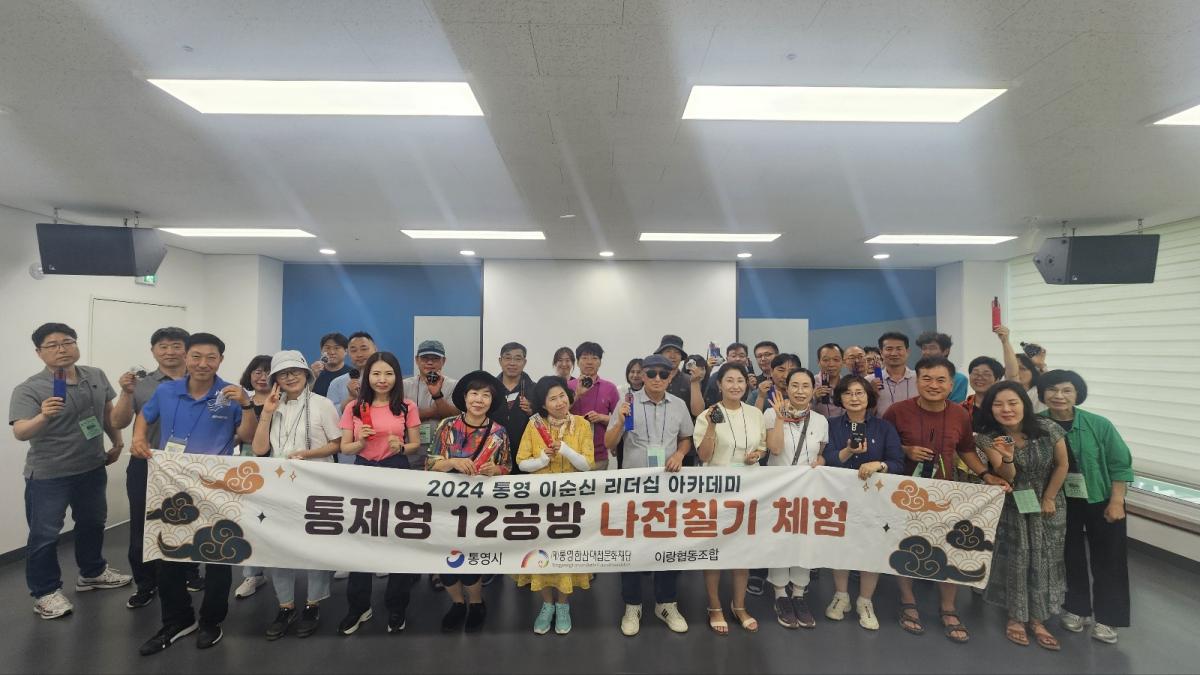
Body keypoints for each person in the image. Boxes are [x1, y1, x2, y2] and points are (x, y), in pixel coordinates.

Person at [132, 332, 258, 655]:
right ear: (186, 357)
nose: (203, 363)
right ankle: (177, 620)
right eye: (197, 356)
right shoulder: (166, 390)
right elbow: (144, 417)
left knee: (218, 555)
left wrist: (246, 405)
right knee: (168, 554)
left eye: (211, 357)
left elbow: (247, 436)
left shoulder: (230, 394)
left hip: (216, 486)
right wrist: (138, 438)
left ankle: (211, 621)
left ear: (221, 360)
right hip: (171, 483)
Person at [10, 322, 131, 620]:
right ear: (39, 352)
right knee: (44, 535)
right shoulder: (29, 388)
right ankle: (45, 593)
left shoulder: (95, 375)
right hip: (49, 475)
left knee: (92, 523)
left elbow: (106, 412)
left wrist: (117, 441)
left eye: (67, 341)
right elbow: (21, 432)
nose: (62, 349)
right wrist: (43, 416)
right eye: (52, 345)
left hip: (92, 467)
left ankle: (92, 573)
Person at [882, 355, 1001, 644]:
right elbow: (884, 445)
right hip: (906, 493)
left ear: (951, 384)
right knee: (906, 546)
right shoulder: (897, 411)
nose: (933, 385)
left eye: (940, 380)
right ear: (917, 381)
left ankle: (948, 607)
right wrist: (906, 450)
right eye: (927, 378)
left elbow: (967, 450)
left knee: (948, 548)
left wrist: (986, 475)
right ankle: (908, 600)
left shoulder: (960, 414)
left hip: (946, 493)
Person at [250, 350, 343, 639]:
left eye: (295, 371)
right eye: (283, 373)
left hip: (317, 483)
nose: (290, 377)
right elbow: (259, 449)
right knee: (280, 546)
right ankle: (286, 606)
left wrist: (307, 454)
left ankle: (313, 604)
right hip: (280, 486)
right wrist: (266, 413)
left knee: (316, 544)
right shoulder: (272, 405)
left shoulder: (322, 404)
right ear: (275, 379)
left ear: (306, 374)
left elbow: (337, 444)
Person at [1039, 370, 1132, 645]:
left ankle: (1108, 618)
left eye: (1066, 390)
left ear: (1077, 394)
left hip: (1101, 499)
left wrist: (1117, 501)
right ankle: (1076, 608)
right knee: (1068, 556)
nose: (1059, 395)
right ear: (1043, 393)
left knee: (1110, 559)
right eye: (1052, 390)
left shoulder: (1098, 424)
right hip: (1059, 501)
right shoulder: (1036, 424)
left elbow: (1120, 464)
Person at [974, 381, 1068, 650]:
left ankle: (1038, 618)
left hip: (1049, 502)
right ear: (990, 409)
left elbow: (1062, 464)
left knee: (1046, 558)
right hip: (1013, 503)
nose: (1006, 409)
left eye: (1012, 403)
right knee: (1017, 559)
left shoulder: (1048, 428)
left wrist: (1049, 497)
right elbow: (1008, 476)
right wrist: (1007, 458)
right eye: (998, 404)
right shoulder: (988, 437)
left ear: (1024, 405)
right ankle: (1016, 616)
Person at [605, 354, 694, 636]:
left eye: (663, 374)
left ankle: (666, 603)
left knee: (669, 544)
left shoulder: (678, 405)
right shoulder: (627, 403)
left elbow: (686, 438)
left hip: (668, 488)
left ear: (671, 377)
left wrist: (679, 454)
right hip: (634, 489)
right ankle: (632, 605)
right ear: (641, 375)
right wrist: (620, 422)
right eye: (651, 373)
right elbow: (609, 443)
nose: (657, 379)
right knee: (631, 545)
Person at [336, 351, 423, 636]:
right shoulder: (354, 408)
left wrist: (402, 447)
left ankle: (397, 606)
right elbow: (345, 448)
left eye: (388, 373)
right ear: (367, 377)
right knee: (361, 540)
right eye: (376, 374)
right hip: (364, 472)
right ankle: (359, 606)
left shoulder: (407, 406)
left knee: (398, 539)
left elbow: (415, 444)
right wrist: (360, 441)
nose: (382, 379)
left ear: (396, 376)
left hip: (397, 471)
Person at [110, 326, 189, 609]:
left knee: (188, 521)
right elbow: (118, 422)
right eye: (163, 347)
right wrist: (125, 392)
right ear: (153, 351)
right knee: (143, 527)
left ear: (187, 350)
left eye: (176, 346)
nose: (170, 352)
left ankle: (189, 573)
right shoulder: (140, 384)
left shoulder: (202, 381)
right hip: (147, 464)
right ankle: (145, 583)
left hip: (188, 466)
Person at [427, 371, 511, 632]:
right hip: (445, 506)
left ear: (492, 401)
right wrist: (451, 462)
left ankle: (476, 602)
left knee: (470, 559)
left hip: (480, 509)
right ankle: (456, 603)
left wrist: (494, 470)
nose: (479, 399)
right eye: (474, 393)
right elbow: (430, 463)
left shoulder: (498, 432)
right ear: (465, 397)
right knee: (446, 560)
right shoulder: (447, 426)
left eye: (486, 395)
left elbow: (507, 467)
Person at [822, 375, 904, 631]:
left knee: (871, 547)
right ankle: (841, 595)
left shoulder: (884, 427)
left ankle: (865, 601)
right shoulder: (830, 425)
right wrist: (848, 451)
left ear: (869, 396)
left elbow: (897, 463)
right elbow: (827, 459)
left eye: (859, 392)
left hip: (875, 499)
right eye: (848, 393)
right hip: (839, 497)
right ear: (840, 398)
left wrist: (878, 464)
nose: (854, 398)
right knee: (840, 546)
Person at [513, 376, 594, 634]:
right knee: (542, 554)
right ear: (543, 404)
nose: (559, 402)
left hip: (570, 504)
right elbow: (521, 463)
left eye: (562, 396)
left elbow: (587, 464)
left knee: (565, 555)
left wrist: (567, 450)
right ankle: (547, 604)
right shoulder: (534, 424)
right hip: (540, 504)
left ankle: (563, 605)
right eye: (552, 399)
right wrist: (541, 460)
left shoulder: (581, 424)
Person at [694, 363, 766, 635]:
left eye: (740, 381)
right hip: (717, 491)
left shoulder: (755, 413)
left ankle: (739, 605)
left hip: (749, 488)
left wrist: (756, 455)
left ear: (746, 384)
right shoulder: (707, 414)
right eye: (729, 380)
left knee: (742, 551)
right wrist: (713, 425)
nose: (735, 386)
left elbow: (762, 446)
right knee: (715, 550)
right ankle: (714, 606)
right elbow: (703, 455)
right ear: (719, 384)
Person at [762, 368, 827, 628]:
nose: (800, 391)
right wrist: (779, 418)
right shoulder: (770, 414)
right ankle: (780, 594)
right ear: (786, 388)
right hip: (778, 490)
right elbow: (775, 449)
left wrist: (821, 461)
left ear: (813, 389)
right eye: (795, 386)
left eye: (805, 386)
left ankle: (799, 593)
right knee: (779, 539)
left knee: (804, 540)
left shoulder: (820, 421)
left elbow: (821, 454)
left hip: (808, 492)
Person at [233, 354, 273, 600]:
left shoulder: (284, 401)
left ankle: (281, 570)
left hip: (278, 467)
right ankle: (252, 574)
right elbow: (236, 435)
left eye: (268, 372)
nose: (262, 377)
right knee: (249, 522)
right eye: (257, 372)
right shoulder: (240, 402)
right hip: (249, 467)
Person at [569, 342, 619, 470]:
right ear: (577, 362)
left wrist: (602, 417)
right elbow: (556, 415)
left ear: (600, 362)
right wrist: (577, 395)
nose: (589, 362)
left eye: (594, 358)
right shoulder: (567, 386)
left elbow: (620, 420)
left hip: (599, 457)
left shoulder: (610, 388)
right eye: (585, 358)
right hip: (571, 455)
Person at [494, 342, 535, 473]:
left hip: (527, 458)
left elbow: (546, 422)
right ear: (500, 361)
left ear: (524, 362)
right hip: (494, 458)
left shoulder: (536, 389)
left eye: (518, 359)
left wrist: (533, 411)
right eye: (507, 358)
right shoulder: (489, 389)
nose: (512, 363)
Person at [994, 325, 1046, 413]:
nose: (1017, 371)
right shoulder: (1002, 389)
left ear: (1033, 372)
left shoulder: (1040, 391)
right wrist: (1005, 341)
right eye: (1013, 367)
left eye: (1022, 368)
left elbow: (1051, 383)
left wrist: (1040, 364)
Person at [653, 334, 704, 416]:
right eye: (668, 351)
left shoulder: (689, 380)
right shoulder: (652, 379)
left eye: (677, 352)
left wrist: (695, 382)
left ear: (681, 357)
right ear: (660, 354)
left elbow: (698, 412)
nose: (672, 356)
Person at [327, 331, 377, 413]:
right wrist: (351, 398)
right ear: (348, 353)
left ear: (375, 349)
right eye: (354, 350)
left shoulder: (386, 380)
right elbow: (330, 414)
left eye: (364, 349)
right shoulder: (336, 383)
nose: (359, 354)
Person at [870, 332, 917, 416]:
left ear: (907, 351)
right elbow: (864, 416)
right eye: (889, 349)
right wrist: (872, 394)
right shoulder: (869, 381)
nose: (894, 353)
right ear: (881, 352)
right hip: (882, 424)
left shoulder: (919, 378)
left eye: (899, 349)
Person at [916, 332, 970, 403]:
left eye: (932, 348)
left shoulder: (959, 379)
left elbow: (954, 406)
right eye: (924, 348)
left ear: (946, 351)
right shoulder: (916, 376)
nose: (927, 352)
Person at [703, 342, 752, 407]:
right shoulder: (717, 377)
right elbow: (710, 401)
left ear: (746, 359)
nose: (738, 359)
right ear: (727, 359)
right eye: (733, 356)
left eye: (741, 356)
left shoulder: (751, 376)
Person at [310, 332, 350, 397]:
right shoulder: (313, 372)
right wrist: (312, 377)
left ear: (346, 351)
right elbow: (303, 396)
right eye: (327, 348)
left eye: (336, 348)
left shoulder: (352, 374)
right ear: (321, 350)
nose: (332, 352)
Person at [812, 343, 845, 418]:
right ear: (818, 362)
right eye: (826, 360)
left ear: (843, 362)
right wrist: (813, 398)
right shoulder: (810, 383)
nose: (831, 364)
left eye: (836, 360)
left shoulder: (847, 384)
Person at [748, 341, 780, 405]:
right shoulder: (753, 382)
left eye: (767, 355)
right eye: (759, 356)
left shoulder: (786, 380)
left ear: (777, 356)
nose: (763, 359)